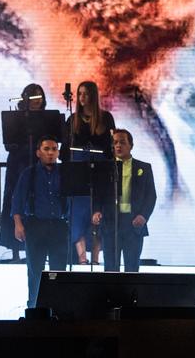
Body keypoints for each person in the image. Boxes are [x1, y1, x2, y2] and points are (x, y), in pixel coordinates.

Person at [12, 136, 69, 308]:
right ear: (38, 152)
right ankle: (34, 307)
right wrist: (18, 224)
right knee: (35, 269)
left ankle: (58, 306)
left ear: (58, 152)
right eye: (46, 149)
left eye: (54, 149)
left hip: (59, 226)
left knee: (58, 270)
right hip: (36, 225)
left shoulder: (65, 173)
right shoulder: (29, 174)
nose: (51, 153)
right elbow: (17, 200)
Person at [64, 80, 115, 265]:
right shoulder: (72, 120)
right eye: (79, 94)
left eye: (85, 93)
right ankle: (82, 259)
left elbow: (111, 148)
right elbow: (65, 150)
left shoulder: (106, 118)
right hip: (78, 172)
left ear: (93, 96)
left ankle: (95, 258)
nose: (82, 97)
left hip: (99, 171)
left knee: (97, 212)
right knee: (78, 215)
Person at [92, 129, 157, 272]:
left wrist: (143, 216)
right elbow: (97, 194)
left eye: (122, 142)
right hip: (110, 223)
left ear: (131, 145)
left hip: (133, 224)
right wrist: (96, 211)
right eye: (115, 143)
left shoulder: (144, 168)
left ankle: (131, 295)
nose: (118, 146)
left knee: (132, 268)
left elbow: (151, 196)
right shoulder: (105, 168)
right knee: (110, 268)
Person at [0, 83, 46, 261]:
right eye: (33, 97)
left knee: (37, 202)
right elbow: (8, 143)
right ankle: (15, 251)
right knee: (14, 200)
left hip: (38, 163)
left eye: (39, 96)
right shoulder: (17, 117)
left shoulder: (46, 118)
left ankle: (34, 250)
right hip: (17, 164)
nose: (37, 100)